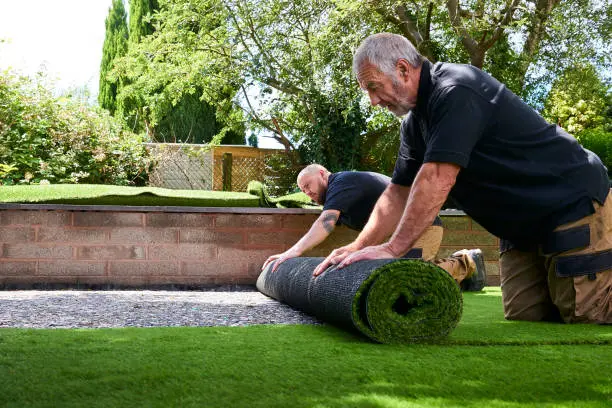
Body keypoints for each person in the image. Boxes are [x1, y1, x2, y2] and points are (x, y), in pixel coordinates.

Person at [314, 32, 611, 324]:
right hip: (522, 229)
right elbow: (397, 192)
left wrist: (393, 249)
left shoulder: (457, 89)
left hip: (570, 202)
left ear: (403, 69)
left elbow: (437, 177)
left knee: (588, 313)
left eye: (374, 87)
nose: (373, 101)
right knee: (526, 314)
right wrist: (359, 247)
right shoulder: (414, 125)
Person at [262, 163, 487, 291]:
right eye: (303, 190)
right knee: (390, 280)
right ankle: (461, 274)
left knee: (407, 278)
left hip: (422, 226)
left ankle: (464, 262)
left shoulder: (342, 182)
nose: (307, 193)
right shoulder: (340, 196)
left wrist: (292, 252)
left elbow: (325, 223)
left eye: (308, 185)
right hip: (393, 238)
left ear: (322, 174)